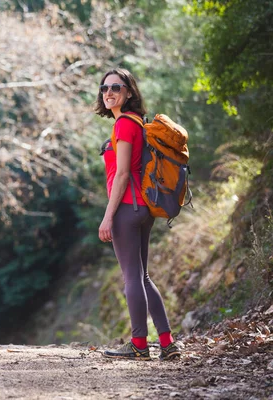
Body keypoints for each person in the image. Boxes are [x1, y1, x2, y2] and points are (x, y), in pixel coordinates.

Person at [95, 68, 181, 361]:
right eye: (104, 88)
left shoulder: (124, 126)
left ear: (129, 92)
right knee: (143, 277)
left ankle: (139, 344)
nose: (109, 93)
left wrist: (108, 217)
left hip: (127, 209)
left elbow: (121, 175)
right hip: (142, 208)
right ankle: (167, 343)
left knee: (132, 278)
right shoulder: (135, 123)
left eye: (116, 88)